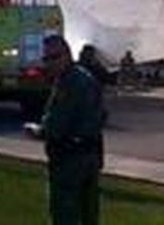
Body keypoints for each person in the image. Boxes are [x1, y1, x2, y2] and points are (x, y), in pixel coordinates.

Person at [29, 35, 103, 225]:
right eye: (46, 59)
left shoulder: (67, 84)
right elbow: (101, 115)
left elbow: (55, 126)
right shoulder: (87, 78)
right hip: (91, 156)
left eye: (54, 57)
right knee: (89, 214)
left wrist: (38, 131)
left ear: (67, 55)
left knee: (64, 214)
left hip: (68, 160)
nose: (49, 64)